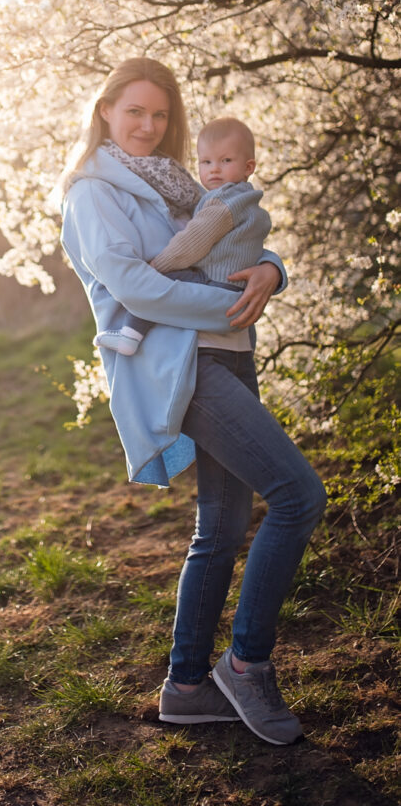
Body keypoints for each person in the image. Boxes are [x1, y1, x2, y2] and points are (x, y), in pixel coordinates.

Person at [59, 57, 327, 746]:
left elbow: (234, 245)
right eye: (133, 113)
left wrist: (272, 270)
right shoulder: (94, 192)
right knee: (297, 495)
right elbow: (135, 289)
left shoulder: (184, 182)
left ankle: (184, 687)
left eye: (158, 115)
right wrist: (233, 304)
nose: (147, 126)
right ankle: (246, 664)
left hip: (227, 354)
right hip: (184, 364)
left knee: (223, 523)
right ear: (105, 113)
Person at [95, 115, 270, 356]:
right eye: (206, 162)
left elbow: (191, 243)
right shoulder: (248, 201)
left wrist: (159, 265)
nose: (214, 169)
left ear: (248, 167)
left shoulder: (222, 200)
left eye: (225, 160)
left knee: (166, 277)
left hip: (215, 287)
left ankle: (130, 335)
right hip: (228, 298)